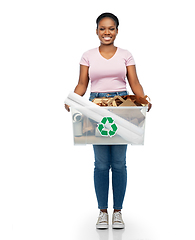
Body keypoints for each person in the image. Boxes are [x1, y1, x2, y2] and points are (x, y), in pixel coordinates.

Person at [65, 12, 151, 229]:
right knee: (101, 163)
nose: (106, 32)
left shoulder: (126, 55)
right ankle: (103, 212)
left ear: (117, 31)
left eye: (111, 28)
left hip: (122, 105)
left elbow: (134, 83)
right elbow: (82, 84)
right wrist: (72, 99)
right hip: (96, 108)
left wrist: (143, 99)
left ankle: (118, 212)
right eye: (102, 28)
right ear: (96, 31)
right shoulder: (87, 56)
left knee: (119, 163)